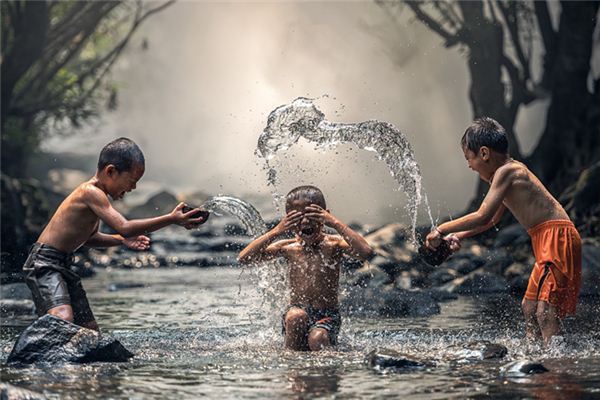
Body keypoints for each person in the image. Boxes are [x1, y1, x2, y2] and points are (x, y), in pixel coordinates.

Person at [23, 137, 207, 331]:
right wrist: (171, 219)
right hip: (44, 263)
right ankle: (33, 353)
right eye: (132, 181)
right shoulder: (90, 192)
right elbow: (125, 227)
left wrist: (121, 241)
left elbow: (90, 238)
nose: (133, 188)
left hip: (62, 264)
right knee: (63, 317)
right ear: (111, 171)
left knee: (89, 329)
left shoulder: (97, 198)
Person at [425, 117, 581, 345]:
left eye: (469, 158)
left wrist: (440, 229)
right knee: (529, 307)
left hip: (557, 238)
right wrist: (458, 235)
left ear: (485, 153)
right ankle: (533, 356)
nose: (469, 165)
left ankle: (557, 366)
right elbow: (490, 221)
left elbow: (482, 215)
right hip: (546, 239)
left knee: (546, 311)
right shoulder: (504, 176)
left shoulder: (508, 171)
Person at [238, 185, 373, 351]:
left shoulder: (334, 245)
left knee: (318, 339)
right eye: (296, 218)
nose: (305, 222)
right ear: (287, 220)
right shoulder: (288, 247)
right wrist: (276, 231)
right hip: (294, 314)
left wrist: (335, 223)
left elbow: (366, 252)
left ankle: (323, 373)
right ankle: (290, 365)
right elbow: (244, 258)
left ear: (325, 216)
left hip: (327, 316)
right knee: (296, 317)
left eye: (312, 215)